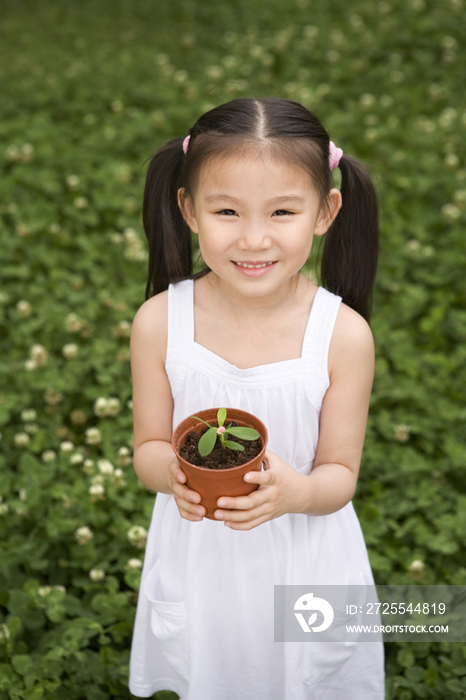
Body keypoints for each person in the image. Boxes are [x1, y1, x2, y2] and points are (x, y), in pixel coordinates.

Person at [128, 97, 384, 699]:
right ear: (188, 209)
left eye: (282, 212)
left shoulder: (343, 336)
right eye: (226, 210)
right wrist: (174, 473)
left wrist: (296, 492)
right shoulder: (161, 322)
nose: (253, 238)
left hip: (307, 559)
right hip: (203, 559)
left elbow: (340, 473)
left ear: (326, 212)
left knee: (305, 679)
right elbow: (146, 448)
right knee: (215, 674)